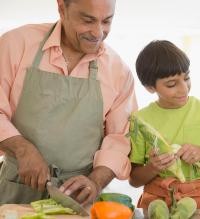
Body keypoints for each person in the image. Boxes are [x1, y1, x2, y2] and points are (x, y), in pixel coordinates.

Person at [0, 0, 137, 205]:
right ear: (62, 8)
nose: (98, 32)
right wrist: (23, 150)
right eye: (88, 20)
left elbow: (120, 139)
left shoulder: (119, 72)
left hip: (78, 198)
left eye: (107, 21)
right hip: (16, 188)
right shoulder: (16, 44)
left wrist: (95, 182)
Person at [128, 40, 200, 209]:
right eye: (171, 84)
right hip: (155, 204)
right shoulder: (140, 119)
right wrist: (153, 167)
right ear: (150, 87)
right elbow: (134, 180)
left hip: (199, 202)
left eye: (186, 78)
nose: (184, 88)